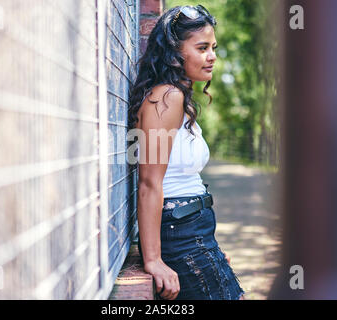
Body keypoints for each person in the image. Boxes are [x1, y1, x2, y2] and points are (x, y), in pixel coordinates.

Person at [128, 5, 245, 300]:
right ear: (174, 52)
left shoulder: (179, 98)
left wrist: (209, 246)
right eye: (202, 47)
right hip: (180, 234)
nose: (212, 56)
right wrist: (153, 260)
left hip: (195, 230)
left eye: (213, 47)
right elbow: (149, 183)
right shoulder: (166, 97)